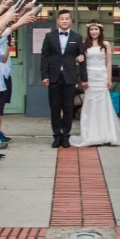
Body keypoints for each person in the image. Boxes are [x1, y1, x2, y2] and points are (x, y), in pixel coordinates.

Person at [70, 21, 120, 147]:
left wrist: (109, 78)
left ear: (100, 30)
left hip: (101, 75)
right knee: (90, 102)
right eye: (91, 29)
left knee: (103, 103)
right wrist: (77, 61)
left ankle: (106, 134)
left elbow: (109, 62)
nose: (94, 32)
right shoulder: (84, 44)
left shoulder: (105, 44)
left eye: (96, 29)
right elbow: (76, 58)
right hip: (89, 75)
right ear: (88, 31)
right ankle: (90, 134)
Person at [40, 9, 88, 148]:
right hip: (54, 76)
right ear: (57, 20)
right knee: (55, 107)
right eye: (62, 18)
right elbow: (44, 57)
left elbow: (82, 58)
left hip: (70, 77)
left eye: (67, 18)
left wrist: (84, 78)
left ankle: (66, 136)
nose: (65, 21)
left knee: (68, 108)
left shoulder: (77, 37)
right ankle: (56, 136)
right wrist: (44, 76)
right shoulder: (49, 36)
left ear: (71, 21)